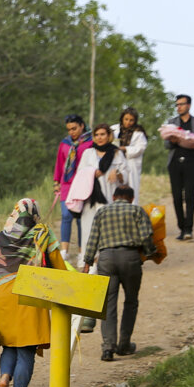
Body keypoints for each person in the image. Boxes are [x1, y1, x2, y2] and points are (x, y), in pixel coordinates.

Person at [0, 199, 68, 387]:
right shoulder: (42, 232)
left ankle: (4, 379)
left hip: (5, 296)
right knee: (26, 350)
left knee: (10, 345)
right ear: (35, 213)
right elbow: (58, 263)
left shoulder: (2, 237)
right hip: (31, 292)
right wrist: (67, 286)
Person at [81, 185, 158, 362]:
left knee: (108, 304)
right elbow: (146, 236)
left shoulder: (102, 212)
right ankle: (124, 345)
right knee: (131, 301)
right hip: (130, 258)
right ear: (131, 198)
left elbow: (92, 238)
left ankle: (108, 348)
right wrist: (149, 252)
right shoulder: (137, 210)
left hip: (106, 259)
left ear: (114, 197)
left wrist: (87, 263)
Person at [64, 124, 130, 270]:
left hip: (110, 197)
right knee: (89, 229)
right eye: (97, 135)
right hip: (91, 198)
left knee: (109, 230)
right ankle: (89, 262)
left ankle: (108, 262)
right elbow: (80, 174)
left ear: (109, 135)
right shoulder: (88, 153)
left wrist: (117, 173)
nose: (100, 138)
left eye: (103, 134)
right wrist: (92, 172)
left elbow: (126, 175)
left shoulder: (117, 153)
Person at [164, 95, 194, 241]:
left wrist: (192, 141)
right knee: (177, 196)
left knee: (189, 196)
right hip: (175, 162)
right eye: (177, 105)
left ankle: (189, 228)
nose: (179, 107)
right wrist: (174, 140)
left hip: (191, 162)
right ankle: (181, 227)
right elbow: (166, 144)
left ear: (189, 105)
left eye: (182, 104)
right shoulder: (171, 123)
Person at [53, 115, 91, 249]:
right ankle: (64, 253)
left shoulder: (90, 143)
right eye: (69, 129)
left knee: (81, 219)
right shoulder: (65, 143)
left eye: (74, 128)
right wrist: (56, 182)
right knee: (66, 216)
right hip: (67, 184)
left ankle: (82, 251)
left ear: (82, 126)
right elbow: (59, 163)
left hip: (83, 185)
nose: (71, 132)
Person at [110, 107, 148, 201]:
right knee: (115, 188)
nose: (128, 122)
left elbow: (141, 147)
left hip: (131, 163)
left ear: (135, 121)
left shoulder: (139, 132)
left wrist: (125, 149)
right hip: (116, 161)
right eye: (126, 119)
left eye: (131, 120)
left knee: (131, 189)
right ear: (122, 118)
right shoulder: (113, 129)